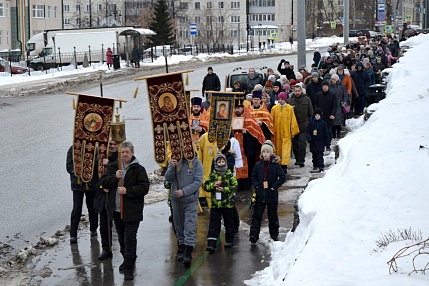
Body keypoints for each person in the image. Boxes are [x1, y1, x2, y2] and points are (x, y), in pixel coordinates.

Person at [100, 141, 150, 280]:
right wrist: (114, 177)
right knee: (122, 239)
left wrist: (128, 191)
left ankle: (128, 268)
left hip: (132, 211)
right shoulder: (113, 166)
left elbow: (144, 187)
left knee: (129, 238)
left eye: (127, 152)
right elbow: (103, 182)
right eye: (123, 152)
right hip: (116, 211)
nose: (125, 154)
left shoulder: (138, 169)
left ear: (132, 153)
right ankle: (128, 259)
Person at [164, 155, 203, 268]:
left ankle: (188, 251)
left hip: (190, 200)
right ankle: (181, 245)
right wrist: (172, 166)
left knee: (189, 225)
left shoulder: (196, 163)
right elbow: (168, 178)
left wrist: (184, 191)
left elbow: (197, 182)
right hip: (176, 200)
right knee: (178, 224)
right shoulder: (176, 161)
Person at [249, 140, 286, 243]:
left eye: (267, 152)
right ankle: (253, 235)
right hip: (260, 195)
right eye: (263, 152)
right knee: (257, 216)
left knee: (273, 216)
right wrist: (256, 185)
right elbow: (253, 176)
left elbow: (282, 177)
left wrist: (274, 186)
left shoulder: (275, 165)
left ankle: (274, 234)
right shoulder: (258, 165)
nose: (265, 154)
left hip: (272, 195)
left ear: (271, 153)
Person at [205, 153, 238, 253]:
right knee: (214, 224)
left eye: (222, 161)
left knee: (229, 223)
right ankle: (211, 244)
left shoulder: (229, 174)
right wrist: (213, 185)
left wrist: (224, 189)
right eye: (219, 162)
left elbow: (234, 187)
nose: (221, 163)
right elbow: (206, 186)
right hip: (216, 204)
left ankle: (229, 240)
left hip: (228, 204)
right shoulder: (213, 175)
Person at [66, 146, 100, 244]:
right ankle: (73, 235)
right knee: (77, 209)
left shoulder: (95, 149)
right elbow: (69, 167)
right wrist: (78, 173)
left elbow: (98, 166)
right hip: (78, 185)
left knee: (92, 208)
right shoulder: (73, 149)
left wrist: (90, 174)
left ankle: (93, 229)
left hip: (92, 184)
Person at [97, 140, 118, 260]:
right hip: (103, 195)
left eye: (115, 144)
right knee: (104, 224)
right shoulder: (98, 157)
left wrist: (109, 164)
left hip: (116, 194)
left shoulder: (120, 157)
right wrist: (101, 187)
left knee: (120, 224)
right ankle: (106, 248)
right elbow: (94, 178)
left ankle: (126, 250)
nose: (113, 147)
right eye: (110, 144)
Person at [270, 92, 300, 173]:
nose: (280, 101)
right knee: (277, 149)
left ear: (285, 99)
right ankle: (278, 165)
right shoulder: (274, 108)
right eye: (279, 99)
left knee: (285, 150)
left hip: (286, 133)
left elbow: (293, 120)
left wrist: (293, 132)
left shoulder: (289, 108)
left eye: (282, 99)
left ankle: (284, 166)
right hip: (277, 133)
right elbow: (271, 121)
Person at [286, 85, 314, 167]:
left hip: (304, 125)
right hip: (293, 126)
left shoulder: (307, 99)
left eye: (298, 91)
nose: (297, 92)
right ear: (293, 91)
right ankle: (297, 159)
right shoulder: (289, 100)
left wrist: (310, 124)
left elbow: (311, 112)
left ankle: (301, 159)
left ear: (301, 91)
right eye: (296, 91)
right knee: (295, 144)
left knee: (302, 143)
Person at [315, 80, 338, 148]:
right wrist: (317, 112)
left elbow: (335, 105)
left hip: (329, 116)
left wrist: (333, 114)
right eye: (323, 86)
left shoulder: (332, 95)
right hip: (321, 116)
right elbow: (316, 104)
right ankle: (322, 144)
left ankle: (328, 144)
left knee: (328, 131)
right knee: (320, 130)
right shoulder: (319, 95)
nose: (325, 88)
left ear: (328, 87)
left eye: (326, 86)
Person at [329, 74, 348, 138]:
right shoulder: (329, 86)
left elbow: (345, 94)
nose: (333, 81)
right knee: (333, 119)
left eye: (334, 79)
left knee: (339, 119)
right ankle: (333, 133)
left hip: (340, 104)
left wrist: (344, 102)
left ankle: (338, 132)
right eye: (332, 79)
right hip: (332, 104)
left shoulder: (342, 86)